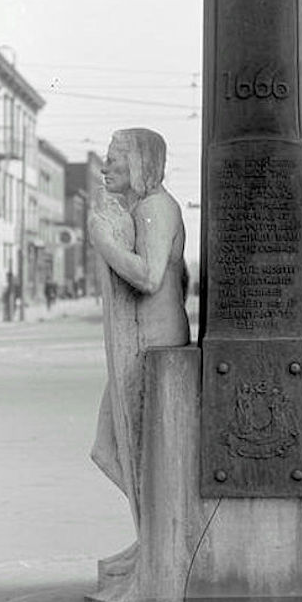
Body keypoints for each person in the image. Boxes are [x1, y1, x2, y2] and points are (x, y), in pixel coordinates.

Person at [88, 128, 190, 538]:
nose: (105, 166)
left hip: (154, 343)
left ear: (139, 162)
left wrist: (103, 241)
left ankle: (159, 542)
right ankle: (152, 540)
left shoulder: (155, 208)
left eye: (115, 157)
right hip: (145, 340)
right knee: (110, 449)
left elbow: (148, 277)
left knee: (130, 450)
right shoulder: (146, 208)